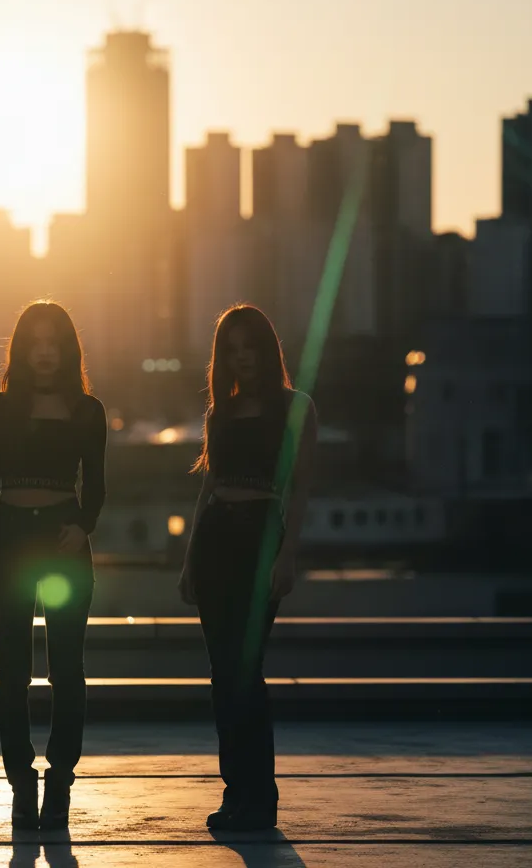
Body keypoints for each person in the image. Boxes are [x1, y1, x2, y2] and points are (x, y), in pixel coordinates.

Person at [178, 304, 316, 832]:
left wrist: (289, 554)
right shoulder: (220, 413)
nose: (243, 359)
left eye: (250, 347)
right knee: (222, 677)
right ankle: (235, 793)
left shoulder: (296, 406)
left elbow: (300, 488)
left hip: (262, 539)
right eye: (232, 351)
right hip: (215, 540)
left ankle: (262, 798)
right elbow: (206, 489)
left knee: (246, 673)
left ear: (267, 349)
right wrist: (190, 558)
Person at [0, 301, 107, 831]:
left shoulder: (87, 410)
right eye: (36, 343)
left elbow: (95, 483)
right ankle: (20, 782)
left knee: (67, 671)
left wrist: (84, 526)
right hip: (9, 543)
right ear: (22, 351)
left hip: (63, 545)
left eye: (55, 343)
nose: (45, 353)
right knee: (12, 674)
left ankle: (61, 781)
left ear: (68, 350)